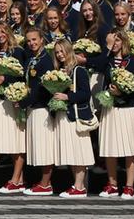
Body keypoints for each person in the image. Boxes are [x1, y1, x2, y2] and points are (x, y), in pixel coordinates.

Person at [97, 28, 134, 199]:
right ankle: (112, 184)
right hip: (110, 108)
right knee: (110, 148)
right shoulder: (107, 60)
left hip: (128, 108)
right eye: (112, 40)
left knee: (129, 148)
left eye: (118, 40)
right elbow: (97, 66)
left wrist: (124, 92)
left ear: (124, 41)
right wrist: (107, 49)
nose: (115, 44)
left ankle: (129, 186)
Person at [50, 39, 93, 197]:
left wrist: (66, 96)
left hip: (75, 116)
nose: (60, 55)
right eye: (57, 53)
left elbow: (85, 94)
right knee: (71, 152)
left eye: (62, 51)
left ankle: (79, 186)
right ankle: (76, 184)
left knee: (79, 151)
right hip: (63, 115)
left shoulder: (78, 70)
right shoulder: (59, 71)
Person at [0, 22, 27, 192]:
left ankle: (16, 179)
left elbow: (22, 75)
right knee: (7, 141)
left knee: (15, 141)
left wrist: (5, 78)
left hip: (13, 100)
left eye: (3, 31)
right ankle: (20, 179)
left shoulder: (17, 51)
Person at [21, 28, 56, 196]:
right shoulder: (31, 58)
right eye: (29, 41)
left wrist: (24, 101)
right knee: (37, 145)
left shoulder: (46, 60)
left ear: (42, 39)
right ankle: (43, 181)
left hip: (42, 107)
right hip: (32, 107)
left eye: (34, 39)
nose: (32, 43)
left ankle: (46, 183)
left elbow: (42, 88)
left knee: (44, 146)